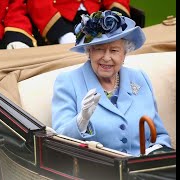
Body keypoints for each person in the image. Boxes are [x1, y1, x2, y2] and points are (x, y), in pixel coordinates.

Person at [51, 10, 172, 156]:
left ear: (124, 54)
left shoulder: (139, 78)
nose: (106, 58)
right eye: (99, 49)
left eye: (114, 50)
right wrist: (81, 121)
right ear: (89, 52)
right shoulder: (68, 82)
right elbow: (58, 141)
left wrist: (156, 153)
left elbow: (159, 135)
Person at [27, 0, 130, 45]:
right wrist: (62, 34)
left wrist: (116, 20)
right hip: (60, 20)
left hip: (97, 17)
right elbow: (38, 3)